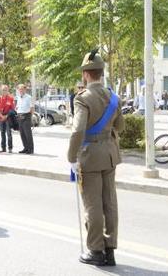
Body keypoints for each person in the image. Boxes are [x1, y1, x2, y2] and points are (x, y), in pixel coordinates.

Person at [67, 50, 125, 266]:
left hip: (89, 157)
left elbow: (77, 131)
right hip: (110, 155)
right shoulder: (114, 97)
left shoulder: (82, 98)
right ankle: (110, 250)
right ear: (101, 73)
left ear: (86, 75)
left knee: (93, 205)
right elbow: (120, 126)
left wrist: (71, 157)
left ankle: (95, 251)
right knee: (109, 203)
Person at [15, 84, 34, 154]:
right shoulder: (18, 97)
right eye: (19, 89)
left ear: (25, 90)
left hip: (26, 116)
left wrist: (29, 117)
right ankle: (25, 148)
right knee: (22, 133)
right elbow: (17, 107)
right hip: (19, 116)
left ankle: (30, 149)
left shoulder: (28, 97)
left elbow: (32, 108)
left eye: (22, 89)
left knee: (28, 134)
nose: (20, 90)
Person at [0, 85, 15, 153]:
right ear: (1, 90)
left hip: (8, 117)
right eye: (3, 90)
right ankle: (3, 148)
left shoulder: (11, 98)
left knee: (9, 133)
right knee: (2, 133)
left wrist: (6, 116)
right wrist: (1, 116)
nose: (4, 91)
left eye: (6, 90)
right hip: (1, 117)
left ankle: (10, 148)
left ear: (8, 91)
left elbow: (12, 109)